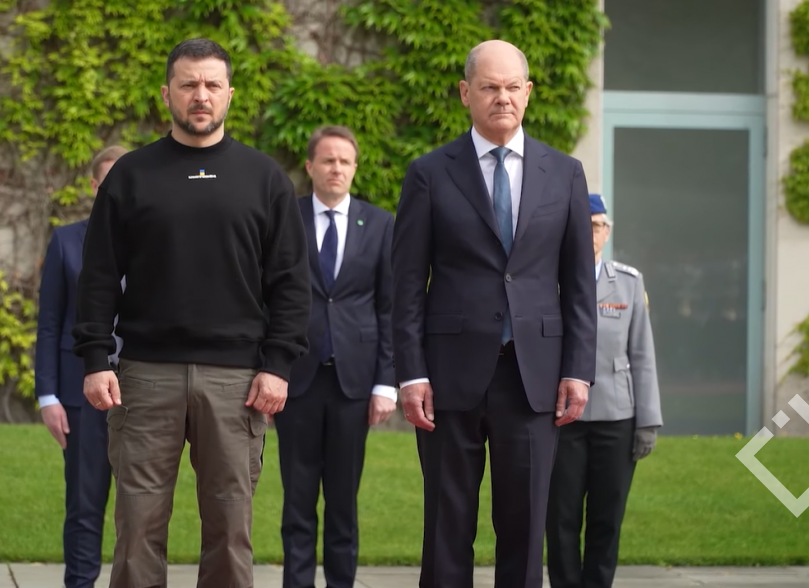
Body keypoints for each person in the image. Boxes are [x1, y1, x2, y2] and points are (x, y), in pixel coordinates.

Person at [72, 37, 311, 588]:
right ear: (167, 94)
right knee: (136, 529)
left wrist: (278, 365)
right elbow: (99, 275)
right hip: (144, 377)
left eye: (211, 85)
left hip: (237, 382)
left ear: (230, 94)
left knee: (230, 531)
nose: (200, 95)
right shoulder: (131, 176)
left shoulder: (264, 179)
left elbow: (291, 284)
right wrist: (95, 358)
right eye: (188, 85)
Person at [391, 39, 598, 588]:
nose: (501, 97)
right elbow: (406, 285)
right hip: (447, 378)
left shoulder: (566, 173)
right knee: (446, 530)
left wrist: (578, 369)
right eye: (489, 87)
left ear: (528, 93)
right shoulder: (429, 173)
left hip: (534, 378)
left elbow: (579, 283)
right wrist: (410, 373)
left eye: (511, 87)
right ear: (466, 93)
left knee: (526, 534)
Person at [275, 125, 397, 588]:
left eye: (345, 161)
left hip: (354, 384)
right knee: (297, 502)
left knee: (343, 503)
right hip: (296, 380)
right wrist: (269, 370)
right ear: (310, 167)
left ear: (355, 168)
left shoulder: (380, 224)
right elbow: (268, 299)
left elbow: (389, 307)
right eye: (328, 160)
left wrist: (386, 383)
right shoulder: (286, 218)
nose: (336, 169)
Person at [545, 193, 663, 588]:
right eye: (583, 226)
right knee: (560, 517)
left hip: (616, 418)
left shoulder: (628, 283)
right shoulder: (547, 282)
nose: (590, 233)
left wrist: (647, 422)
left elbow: (642, 355)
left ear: (607, 232)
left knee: (607, 517)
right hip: (561, 417)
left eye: (597, 226)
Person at [34, 144, 128, 588]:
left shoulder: (157, 240)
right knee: (85, 505)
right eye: (109, 183)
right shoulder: (66, 241)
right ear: (94, 187)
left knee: (142, 509)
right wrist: (48, 396)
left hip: (143, 392)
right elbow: (49, 323)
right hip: (79, 395)